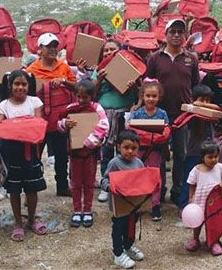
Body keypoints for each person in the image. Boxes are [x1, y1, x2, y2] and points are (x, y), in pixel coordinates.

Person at [146, 18, 199, 204]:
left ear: (184, 36)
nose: (176, 35)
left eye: (180, 32)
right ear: (166, 35)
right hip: (158, 114)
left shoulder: (191, 59)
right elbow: (147, 84)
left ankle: (178, 191)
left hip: (182, 115)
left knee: (181, 154)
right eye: (172, 32)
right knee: (158, 153)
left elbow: (195, 85)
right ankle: (158, 191)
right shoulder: (155, 58)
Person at [0, 70, 47, 242]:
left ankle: (32, 219)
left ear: (29, 86)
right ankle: (18, 222)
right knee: (15, 189)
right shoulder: (4, 105)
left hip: (30, 152)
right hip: (10, 153)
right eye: (16, 84)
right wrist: (25, 126)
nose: (20, 87)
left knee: (32, 188)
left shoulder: (35, 101)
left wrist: (15, 127)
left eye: (24, 84)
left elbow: (39, 125)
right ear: (10, 86)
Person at [26, 32, 76, 197]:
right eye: (49, 46)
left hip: (60, 120)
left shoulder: (63, 67)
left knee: (62, 155)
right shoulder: (31, 70)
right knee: (35, 156)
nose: (53, 49)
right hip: (39, 121)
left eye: (55, 46)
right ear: (40, 49)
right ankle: (31, 189)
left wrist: (63, 81)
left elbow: (76, 88)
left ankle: (62, 186)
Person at [58, 80, 108, 228]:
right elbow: (59, 124)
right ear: (74, 95)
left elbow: (104, 125)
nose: (81, 100)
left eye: (84, 97)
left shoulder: (96, 108)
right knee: (75, 183)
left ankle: (87, 210)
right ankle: (76, 210)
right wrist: (64, 125)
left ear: (91, 96)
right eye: (78, 96)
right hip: (75, 154)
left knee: (89, 183)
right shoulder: (70, 108)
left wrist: (92, 140)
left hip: (90, 154)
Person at [94, 39, 138, 203]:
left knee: (125, 150)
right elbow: (91, 93)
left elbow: (140, 92)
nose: (108, 53)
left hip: (123, 114)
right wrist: (99, 80)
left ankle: (124, 184)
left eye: (112, 49)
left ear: (120, 51)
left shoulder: (128, 67)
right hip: (105, 115)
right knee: (106, 151)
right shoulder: (99, 70)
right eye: (105, 50)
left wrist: (133, 85)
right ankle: (107, 185)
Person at [101, 130, 145, 269]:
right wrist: (108, 187)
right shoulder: (114, 163)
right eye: (126, 147)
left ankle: (128, 246)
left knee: (131, 226)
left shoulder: (139, 163)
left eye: (134, 148)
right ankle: (118, 254)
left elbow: (142, 179)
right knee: (119, 227)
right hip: (119, 205)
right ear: (118, 147)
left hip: (134, 204)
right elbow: (104, 179)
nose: (130, 151)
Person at [129, 79, 169, 221]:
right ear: (142, 96)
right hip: (139, 151)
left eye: (154, 96)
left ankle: (155, 204)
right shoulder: (137, 113)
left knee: (154, 177)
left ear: (159, 97)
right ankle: (139, 203)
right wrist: (149, 136)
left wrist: (154, 137)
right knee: (139, 175)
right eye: (148, 96)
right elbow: (131, 131)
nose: (151, 99)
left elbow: (166, 131)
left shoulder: (162, 114)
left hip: (156, 151)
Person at [185, 141, 222, 256]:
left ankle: (214, 242)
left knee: (214, 222)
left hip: (215, 202)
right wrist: (191, 197)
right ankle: (195, 239)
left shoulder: (219, 167)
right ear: (202, 157)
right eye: (210, 157)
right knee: (198, 222)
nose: (213, 160)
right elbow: (191, 184)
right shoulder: (196, 170)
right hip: (200, 200)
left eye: (216, 156)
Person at [180, 84, 220, 210]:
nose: (205, 103)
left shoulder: (210, 111)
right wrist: (199, 110)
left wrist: (202, 105)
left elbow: (217, 108)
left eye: (207, 100)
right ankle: (184, 205)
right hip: (194, 152)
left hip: (209, 153)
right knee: (189, 179)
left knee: (208, 180)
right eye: (202, 99)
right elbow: (198, 131)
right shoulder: (191, 112)